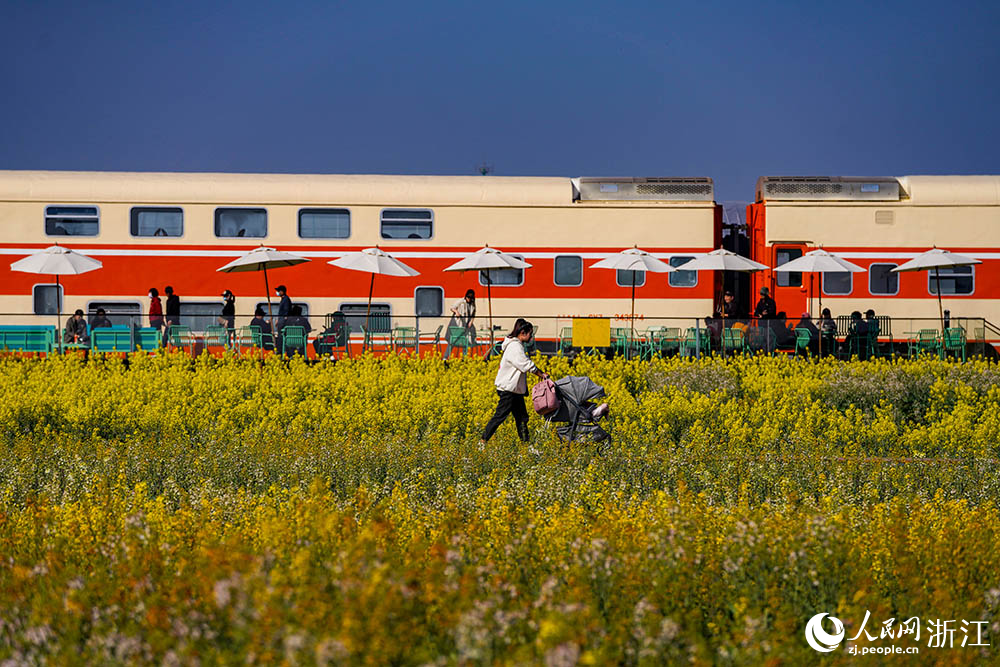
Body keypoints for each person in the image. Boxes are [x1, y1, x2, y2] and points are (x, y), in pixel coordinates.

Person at [480, 319, 547, 444]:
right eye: (530, 334)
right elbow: (525, 364)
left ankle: (526, 445)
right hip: (508, 390)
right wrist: (541, 373)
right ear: (522, 332)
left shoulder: (516, 345)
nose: (531, 337)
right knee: (500, 416)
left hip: (514, 390)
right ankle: (482, 441)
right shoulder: (514, 347)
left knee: (522, 418)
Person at [444, 289, 477, 359]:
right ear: (466, 297)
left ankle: (464, 358)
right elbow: (452, 307)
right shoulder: (461, 301)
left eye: (470, 298)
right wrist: (456, 312)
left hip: (466, 325)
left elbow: (473, 314)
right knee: (452, 341)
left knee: (466, 341)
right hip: (457, 323)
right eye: (468, 297)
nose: (469, 299)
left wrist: (471, 322)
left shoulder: (473, 304)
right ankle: (445, 357)